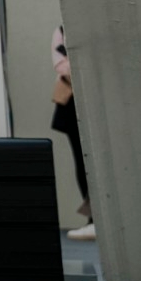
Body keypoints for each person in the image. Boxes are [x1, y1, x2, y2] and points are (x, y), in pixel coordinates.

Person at [53, 25, 95, 242]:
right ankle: (93, 219)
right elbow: (62, 66)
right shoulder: (62, 28)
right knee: (82, 161)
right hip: (72, 102)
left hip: (97, 97)